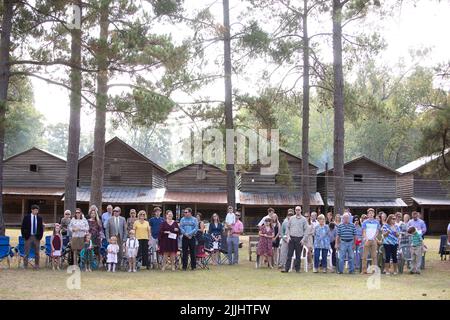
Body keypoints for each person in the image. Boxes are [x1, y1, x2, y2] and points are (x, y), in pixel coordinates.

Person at [281, 206, 308, 273]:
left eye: (299, 210)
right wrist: (288, 236)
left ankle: (297, 269)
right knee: (289, 254)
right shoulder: (291, 218)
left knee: (298, 255)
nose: (297, 211)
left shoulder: (304, 219)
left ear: (301, 210)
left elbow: (306, 230)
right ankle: (286, 269)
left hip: (300, 239)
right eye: (296, 210)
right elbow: (287, 228)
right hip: (291, 238)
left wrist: (303, 239)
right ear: (295, 211)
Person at [21, 204, 44, 269]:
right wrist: (25, 236)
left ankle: (37, 265)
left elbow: (41, 228)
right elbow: (23, 227)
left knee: (37, 252)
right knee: (26, 252)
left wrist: (40, 237)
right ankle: (25, 265)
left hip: (36, 237)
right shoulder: (26, 217)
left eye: (37, 210)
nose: (36, 211)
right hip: (28, 237)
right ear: (32, 210)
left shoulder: (39, 218)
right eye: (35, 210)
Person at [361, 208, 380, 274]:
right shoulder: (365, 222)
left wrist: (374, 237)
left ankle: (374, 270)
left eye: (372, 213)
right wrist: (366, 238)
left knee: (374, 256)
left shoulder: (376, 222)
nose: (371, 214)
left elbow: (377, 231)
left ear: (374, 214)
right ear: (368, 214)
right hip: (367, 240)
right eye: (369, 213)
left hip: (374, 240)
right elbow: (364, 231)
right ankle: (364, 270)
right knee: (364, 256)